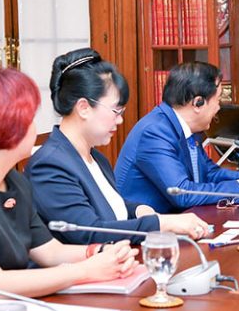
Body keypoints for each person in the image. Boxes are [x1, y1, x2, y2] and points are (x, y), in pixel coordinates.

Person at [0, 66, 138, 311]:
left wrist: (100, 252)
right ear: (5, 126)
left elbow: (50, 252)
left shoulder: (12, 180)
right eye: (28, 117)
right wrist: (86, 270)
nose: (35, 126)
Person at [26, 49, 210, 244]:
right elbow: (88, 232)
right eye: (116, 110)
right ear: (84, 108)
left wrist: (137, 209)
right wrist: (161, 223)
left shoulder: (96, 158)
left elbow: (110, 209)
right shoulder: (49, 165)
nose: (120, 120)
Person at [115, 61, 239, 212]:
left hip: (183, 221)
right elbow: (183, 193)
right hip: (147, 237)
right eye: (218, 100)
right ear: (198, 102)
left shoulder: (187, 128)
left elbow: (209, 173)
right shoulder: (155, 133)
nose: (218, 108)